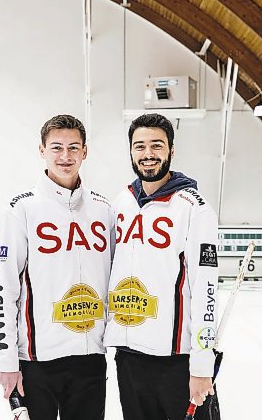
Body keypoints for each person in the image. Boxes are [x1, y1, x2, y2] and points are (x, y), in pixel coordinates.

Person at [0, 114, 113, 420]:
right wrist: (8, 362)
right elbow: (5, 289)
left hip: (90, 358)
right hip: (37, 360)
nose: (65, 156)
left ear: (85, 152)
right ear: (42, 150)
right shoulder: (21, 209)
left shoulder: (103, 210)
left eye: (74, 148)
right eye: (57, 147)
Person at [104, 113, 220, 420]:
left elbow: (206, 290)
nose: (148, 154)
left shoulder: (194, 208)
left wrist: (202, 366)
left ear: (171, 151)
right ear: (131, 151)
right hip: (129, 357)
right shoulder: (121, 203)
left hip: (177, 359)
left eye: (157, 145)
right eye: (139, 146)